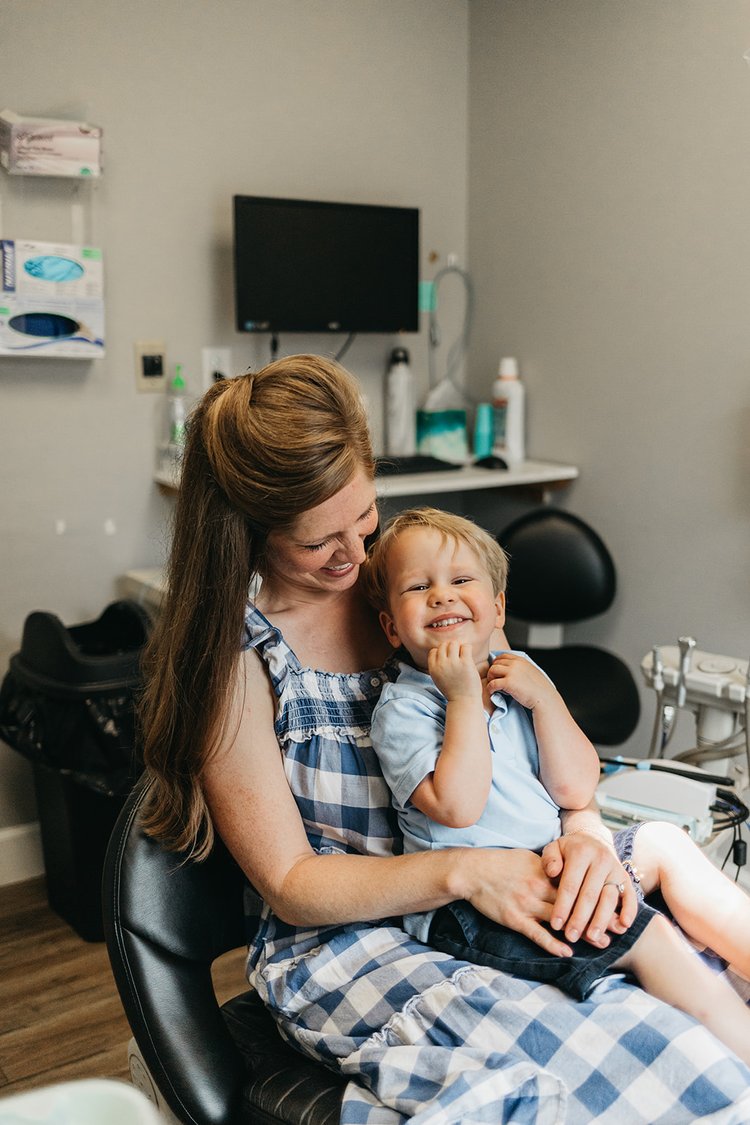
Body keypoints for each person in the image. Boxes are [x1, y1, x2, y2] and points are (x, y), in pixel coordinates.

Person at [139, 354, 750, 1123]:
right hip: (353, 938)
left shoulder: (409, 586)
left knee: (696, 960)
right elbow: (293, 886)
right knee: (633, 1057)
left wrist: (585, 831)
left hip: (502, 865)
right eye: (320, 542)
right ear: (247, 532)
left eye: (365, 522)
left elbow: (530, 742)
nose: (355, 557)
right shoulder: (240, 665)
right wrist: (467, 872)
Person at [363, 506, 750, 1064]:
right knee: (651, 937)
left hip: (550, 864)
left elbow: (574, 787)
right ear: (392, 627)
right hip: (475, 910)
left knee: (663, 842)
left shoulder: (515, 670)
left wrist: (544, 699)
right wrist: (464, 700)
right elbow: (459, 806)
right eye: (419, 586)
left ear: (496, 607)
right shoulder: (402, 709)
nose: (443, 596)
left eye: (461, 581)